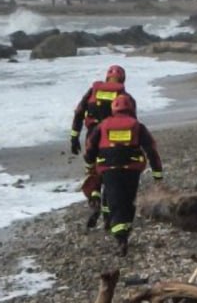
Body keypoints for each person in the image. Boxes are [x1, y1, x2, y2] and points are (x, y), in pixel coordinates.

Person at [88, 94, 163, 257]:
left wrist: (89, 164)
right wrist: (157, 174)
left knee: (114, 199)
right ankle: (122, 230)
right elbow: (151, 150)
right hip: (131, 169)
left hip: (109, 170)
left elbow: (90, 147)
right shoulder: (137, 126)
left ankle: (120, 237)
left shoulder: (103, 125)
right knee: (128, 201)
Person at [70, 65, 130, 228]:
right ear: (123, 79)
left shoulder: (93, 91)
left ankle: (94, 200)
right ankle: (107, 215)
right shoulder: (122, 95)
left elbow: (79, 112)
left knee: (93, 171)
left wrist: (74, 136)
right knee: (108, 174)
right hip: (110, 138)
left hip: (91, 136)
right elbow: (130, 122)